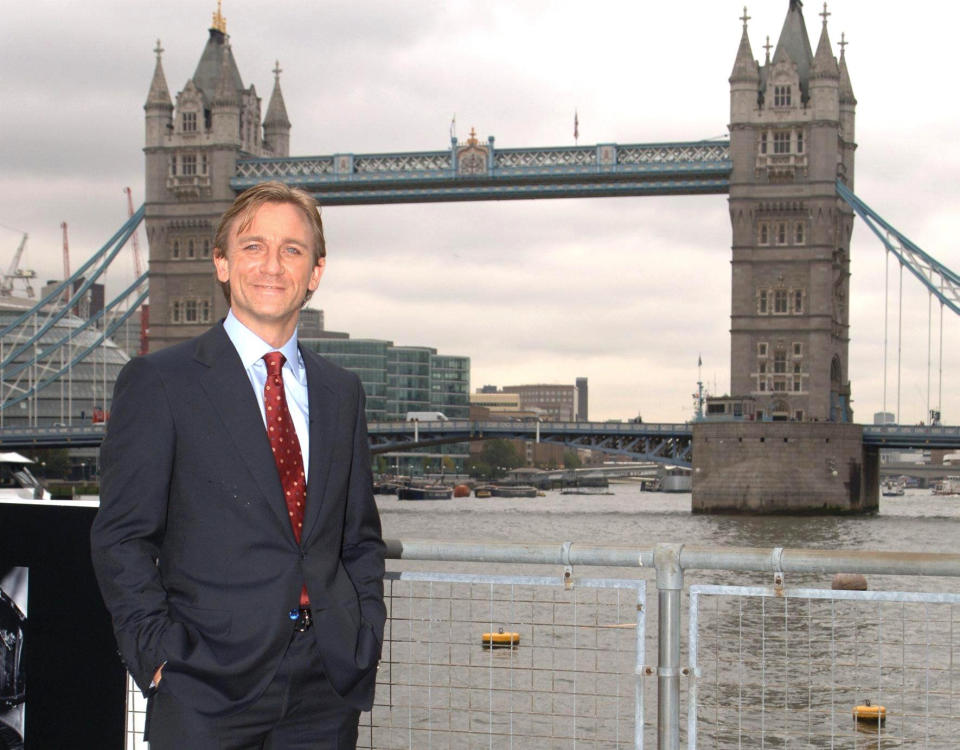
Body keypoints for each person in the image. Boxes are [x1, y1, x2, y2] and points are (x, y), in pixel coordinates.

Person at [90, 182, 386, 748]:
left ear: (316, 272)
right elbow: (122, 537)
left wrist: (363, 629)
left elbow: (359, 538)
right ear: (221, 264)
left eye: (292, 250)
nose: (272, 265)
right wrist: (157, 655)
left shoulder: (340, 391)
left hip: (325, 685)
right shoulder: (161, 383)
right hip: (203, 684)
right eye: (252, 247)